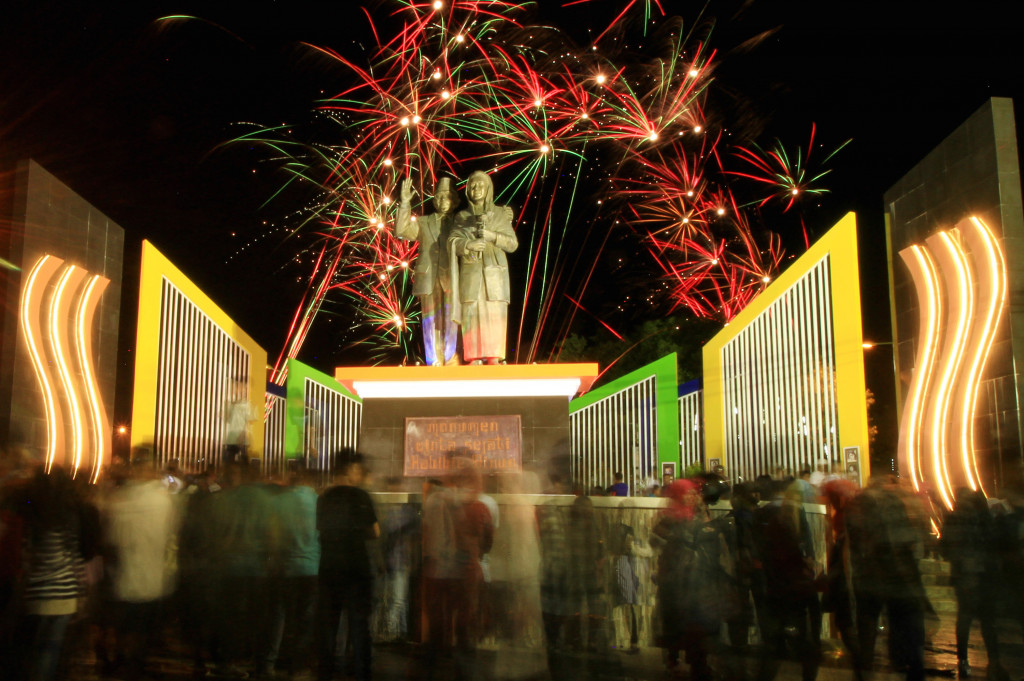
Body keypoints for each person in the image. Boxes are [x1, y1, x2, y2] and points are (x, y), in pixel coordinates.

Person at [317, 450, 379, 681]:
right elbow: (375, 531)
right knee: (359, 626)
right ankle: (362, 672)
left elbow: (322, 529)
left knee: (329, 626)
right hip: (356, 569)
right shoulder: (360, 497)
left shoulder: (324, 497)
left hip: (329, 568)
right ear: (351, 469)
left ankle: (326, 671)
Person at [449, 170, 518, 365]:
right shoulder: (462, 216)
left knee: (494, 313)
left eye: (480, 185)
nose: (476, 188)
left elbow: (512, 244)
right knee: (472, 313)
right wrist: (468, 245)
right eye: (472, 185)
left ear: (488, 189)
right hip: (470, 272)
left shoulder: (499, 214)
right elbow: (452, 240)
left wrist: (492, 236)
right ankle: (473, 357)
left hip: (495, 272)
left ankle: (494, 356)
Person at [395, 176, 461, 366]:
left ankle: (449, 359)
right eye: (439, 197)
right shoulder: (424, 222)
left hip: (451, 277)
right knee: (429, 320)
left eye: (447, 197)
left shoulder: (461, 222)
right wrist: (405, 203)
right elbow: (401, 230)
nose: (442, 201)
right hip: (428, 277)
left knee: (451, 319)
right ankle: (433, 359)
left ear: (455, 201)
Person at [940, 488, 1005, 680]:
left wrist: (956, 561)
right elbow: (994, 542)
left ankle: (963, 659)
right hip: (985, 573)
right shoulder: (983, 515)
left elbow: (944, 546)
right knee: (988, 620)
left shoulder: (953, 518)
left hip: (963, 575)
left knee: (965, 617)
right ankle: (994, 661)